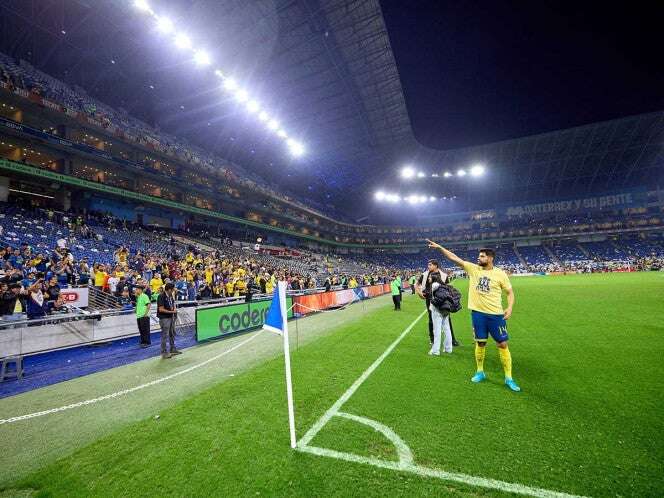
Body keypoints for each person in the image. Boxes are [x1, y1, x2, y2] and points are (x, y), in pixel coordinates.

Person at [427, 240, 520, 392]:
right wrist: (440, 248)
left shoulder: (500, 274)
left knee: (502, 344)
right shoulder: (473, 269)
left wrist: (509, 307)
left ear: (490, 258)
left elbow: (510, 292)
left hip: (496, 315)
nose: (479, 258)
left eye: (482, 256)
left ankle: (509, 378)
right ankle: (480, 372)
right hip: (478, 314)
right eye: (479, 256)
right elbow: (454, 258)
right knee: (480, 343)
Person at [415, 260, 459, 347]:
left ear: (436, 265)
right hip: (430, 300)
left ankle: (452, 340)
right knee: (431, 319)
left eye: (430, 265)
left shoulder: (443, 275)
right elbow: (416, 284)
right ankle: (432, 339)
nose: (428, 266)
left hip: (442, 299)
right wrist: (419, 293)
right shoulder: (424, 275)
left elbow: (447, 288)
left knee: (447, 319)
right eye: (428, 264)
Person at [157, 282, 180, 359]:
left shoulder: (170, 296)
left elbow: (173, 305)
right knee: (165, 335)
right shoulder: (161, 296)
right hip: (164, 318)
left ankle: (172, 348)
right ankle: (164, 352)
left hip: (171, 317)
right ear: (169, 289)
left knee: (172, 333)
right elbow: (161, 309)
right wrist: (172, 312)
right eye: (173, 289)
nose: (174, 290)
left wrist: (174, 310)